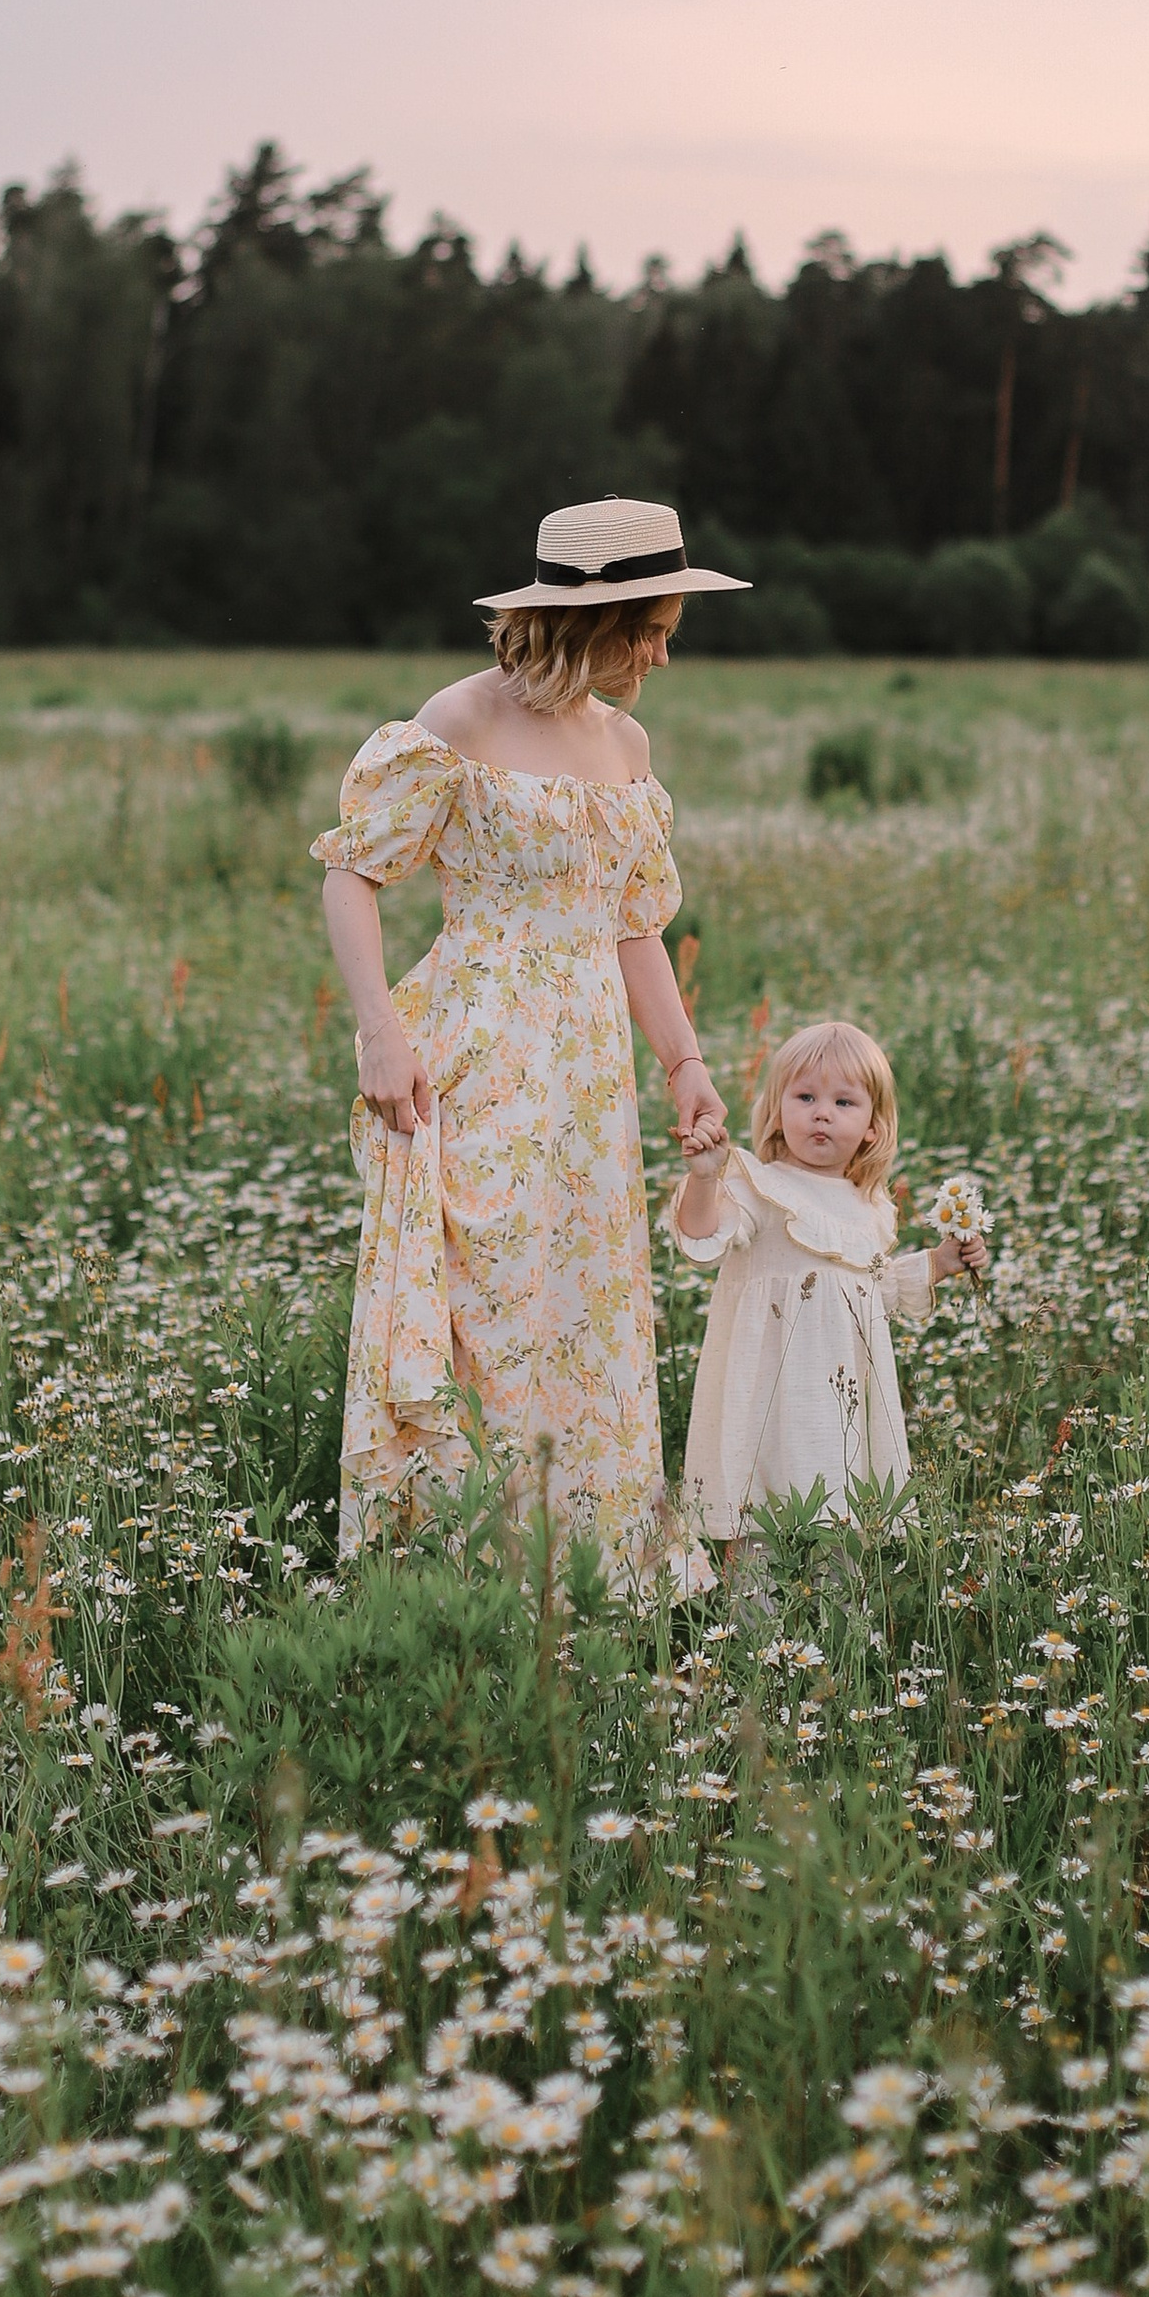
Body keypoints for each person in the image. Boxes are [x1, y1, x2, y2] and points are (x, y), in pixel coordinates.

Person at [312, 494, 747, 1572]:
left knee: (582, 1312)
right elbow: (351, 872)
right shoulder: (460, 721)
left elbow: (635, 927)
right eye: (650, 628)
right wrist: (378, 1032)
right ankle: (466, 1575)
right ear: (585, 620)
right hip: (476, 1050)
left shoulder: (627, 741)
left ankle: (587, 1574)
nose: (660, 651)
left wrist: (684, 1064)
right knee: (486, 1303)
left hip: (590, 1081)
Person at [672, 1019, 988, 1545]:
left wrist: (939, 1262)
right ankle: (754, 1622)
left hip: (837, 1401)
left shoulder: (868, 1208)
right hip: (770, 1394)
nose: (822, 1112)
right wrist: (706, 1178)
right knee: (762, 1521)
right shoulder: (758, 1187)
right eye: (805, 1096)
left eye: (844, 1103)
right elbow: (702, 1237)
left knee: (838, 1519)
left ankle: (832, 1625)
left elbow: (868, 1293)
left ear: (872, 1125)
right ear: (777, 1110)